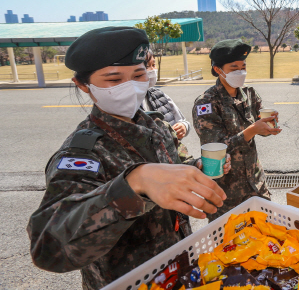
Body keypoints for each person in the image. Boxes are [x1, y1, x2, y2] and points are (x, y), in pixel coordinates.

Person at [27, 27, 230, 290]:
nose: (130, 87)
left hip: (179, 269)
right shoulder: (83, 153)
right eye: (113, 80)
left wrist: (195, 168)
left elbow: (172, 168)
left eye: (138, 75)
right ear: (83, 85)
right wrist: (133, 184)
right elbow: (48, 248)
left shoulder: (155, 125)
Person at [192, 39, 280, 220]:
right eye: (234, 68)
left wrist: (268, 126)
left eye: (243, 67)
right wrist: (252, 130)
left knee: (267, 239)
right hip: (227, 195)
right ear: (218, 70)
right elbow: (213, 149)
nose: (240, 72)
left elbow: (258, 126)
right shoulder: (206, 103)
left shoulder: (249, 94)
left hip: (256, 185)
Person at [143, 50, 191, 139]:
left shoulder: (159, 95)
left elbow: (183, 121)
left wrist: (184, 126)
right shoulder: (128, 104)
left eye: (153, 65)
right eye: (147, 66)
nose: (153, 70)